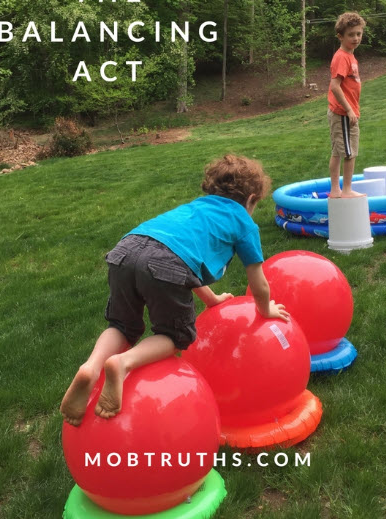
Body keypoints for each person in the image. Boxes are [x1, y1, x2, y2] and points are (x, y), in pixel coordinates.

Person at [60, 154, 290, 426]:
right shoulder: (243, 222)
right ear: (252, 199)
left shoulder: (196, 207)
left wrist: (212, 299)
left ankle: (91, 366)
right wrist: (266, 308)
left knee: (121, 325)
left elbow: (188, 264)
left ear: (213, 189)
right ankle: (122, 363)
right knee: (175, 336)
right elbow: (258, 281)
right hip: (165, 262)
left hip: (127, 248)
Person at [327, 11, 367, 198]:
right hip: (343, 113)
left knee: (337, 151)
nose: (356, 38)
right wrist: (350, 110)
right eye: (351, 34)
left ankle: (336, 190)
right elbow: (335, 87)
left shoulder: (350, 56)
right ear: (340, 36)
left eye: (358, 34)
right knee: (350, 152)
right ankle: (347, 190)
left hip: (343, 112)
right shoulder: (342, 56)